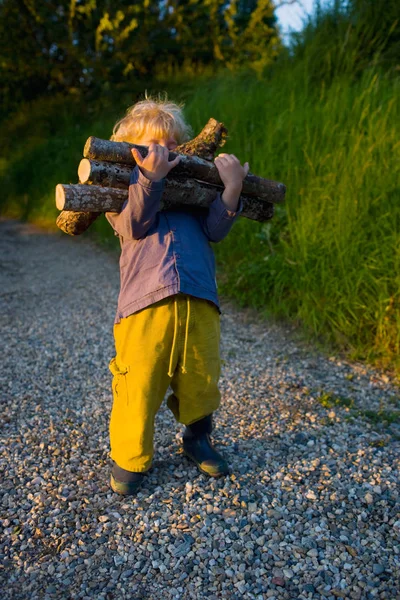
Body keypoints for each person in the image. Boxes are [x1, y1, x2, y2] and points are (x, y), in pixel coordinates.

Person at [105, 92, 249, 495]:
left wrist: (232, 189)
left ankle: (198, 437)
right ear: (130, 153)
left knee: (201, 377)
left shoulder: (194, 192)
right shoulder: (121, 190)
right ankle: (130, 455)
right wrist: (150, 180)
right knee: (140, 384)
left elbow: (214, 229)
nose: (163, 154)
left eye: (171, 145)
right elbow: (134, 225)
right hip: (144, 309)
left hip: (199, 299)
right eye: (151, 147)